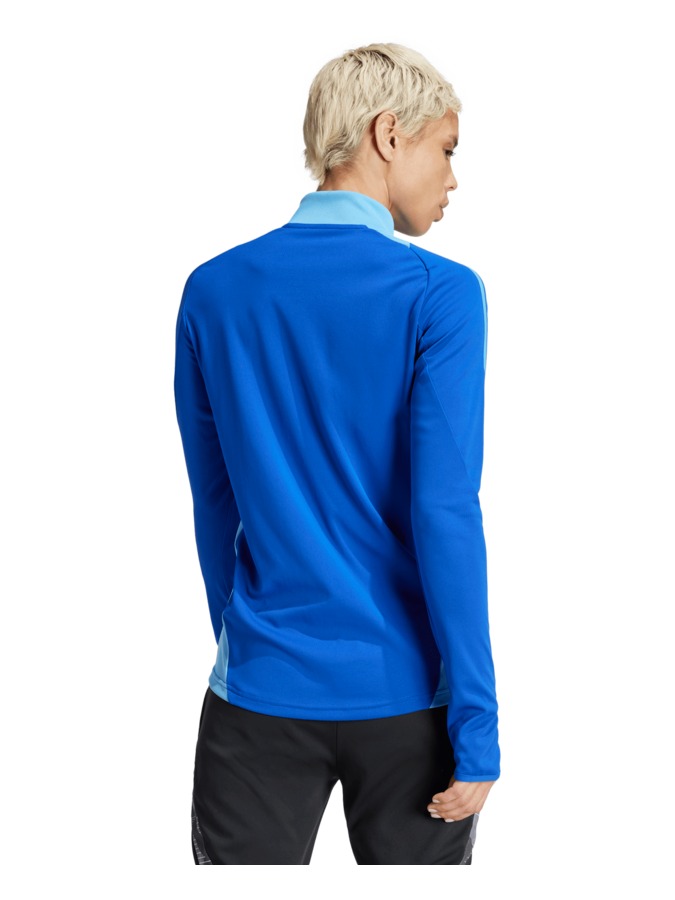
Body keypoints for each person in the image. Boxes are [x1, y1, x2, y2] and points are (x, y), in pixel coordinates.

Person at [174, 42, 500, 866]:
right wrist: (477, 720)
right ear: (389, 135)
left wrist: (250, 643)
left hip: (257, 694)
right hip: (407, 701)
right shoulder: (441, 295)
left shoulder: (213, 289)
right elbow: (444, 511)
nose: (453, 178)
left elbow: (214, 500)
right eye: (446, 149)